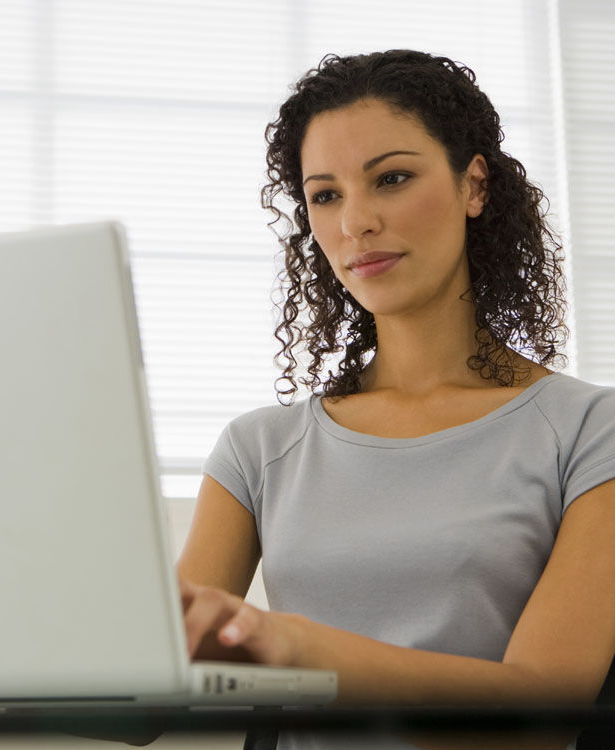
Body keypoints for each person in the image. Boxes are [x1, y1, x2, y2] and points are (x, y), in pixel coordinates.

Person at [176, 50, 615, 750]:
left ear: (475, 186)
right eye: (326, 194)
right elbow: (146, 706)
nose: (356, 223)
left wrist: (298, 650)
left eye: (392, 179)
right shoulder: (257, 449)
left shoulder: (591, 431)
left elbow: (541, 713)